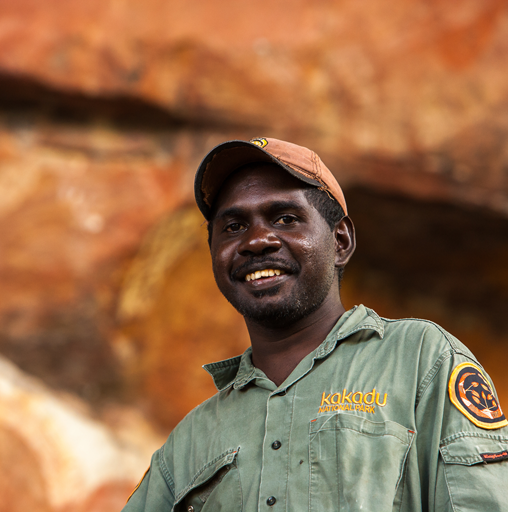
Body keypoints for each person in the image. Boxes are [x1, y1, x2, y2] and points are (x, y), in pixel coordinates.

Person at [123, 137, 508, 512]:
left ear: (340, 241)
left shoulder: (420, 359)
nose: (257, 241)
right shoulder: (191, 438)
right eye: (234, 227)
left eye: (286, 218)